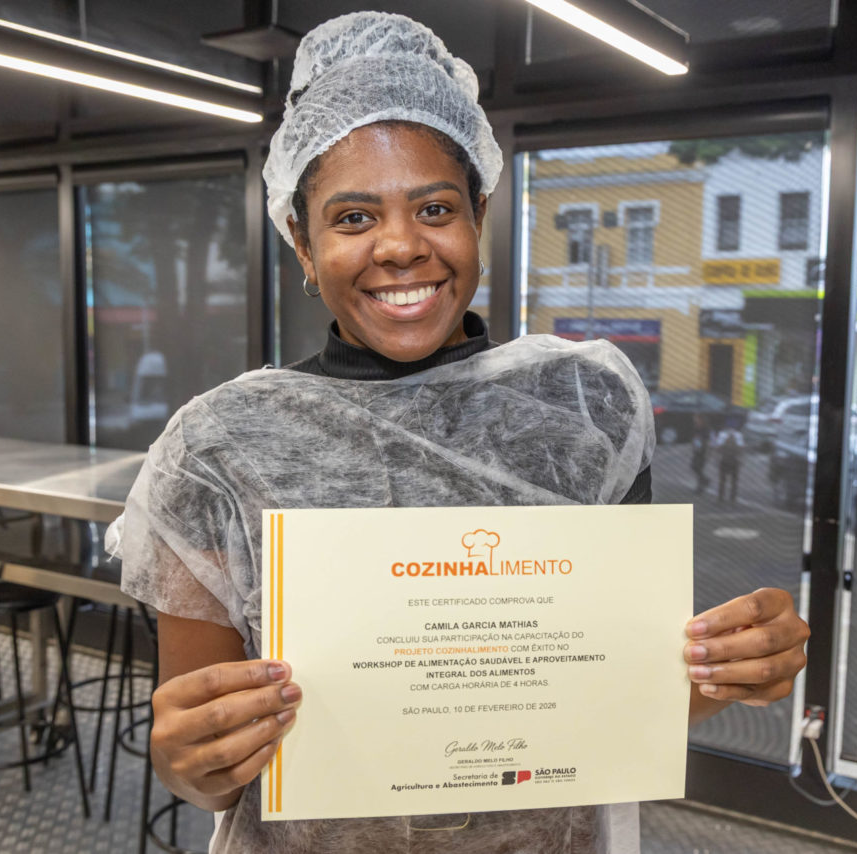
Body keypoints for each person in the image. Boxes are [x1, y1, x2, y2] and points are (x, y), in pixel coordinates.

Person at [109, 12, 809, 854]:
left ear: (478, 214)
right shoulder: (218, 448)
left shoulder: (586, 408)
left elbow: (620, 695)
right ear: (302, 243)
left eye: (435, 208)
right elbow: (206, 771)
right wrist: (187, 761)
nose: (401, 246)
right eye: (353, 218)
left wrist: (735, 667)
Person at [714, 419, 744, 503]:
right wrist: (741, 459)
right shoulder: (739, 435)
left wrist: (717, 457)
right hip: (734, 460)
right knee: (734, 480)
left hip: (724, 459)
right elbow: (741, 448)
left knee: (722, 479)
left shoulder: (722, 434)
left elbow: (718, 448)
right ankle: (732, 498)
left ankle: (720, 497)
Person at [689, 414, 710, 495]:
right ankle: (705, 480)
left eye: (696, 419)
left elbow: (706, 439)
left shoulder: (705, 429)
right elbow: (694, 437)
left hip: (703, 452)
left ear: (701, 419)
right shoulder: (696, 428)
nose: (695, 420)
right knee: (694, 466)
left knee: (699, 467)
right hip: (696, 450)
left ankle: (700, 487)